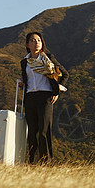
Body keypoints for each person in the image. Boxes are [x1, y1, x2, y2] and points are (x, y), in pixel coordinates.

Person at [20, 32, 69, 164]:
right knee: (32, 132)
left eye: (39, 40)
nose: (36, 43)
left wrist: (57, 91)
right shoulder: (24, 62)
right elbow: (27, 78)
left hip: (45, 97)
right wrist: (22, 82)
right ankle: (31, 162)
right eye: (33, 40)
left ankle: (45, 162)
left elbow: (65, 74)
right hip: (30, 97)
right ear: (27, 44)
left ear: (42, 43)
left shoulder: (48, 58)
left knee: (43, 131)